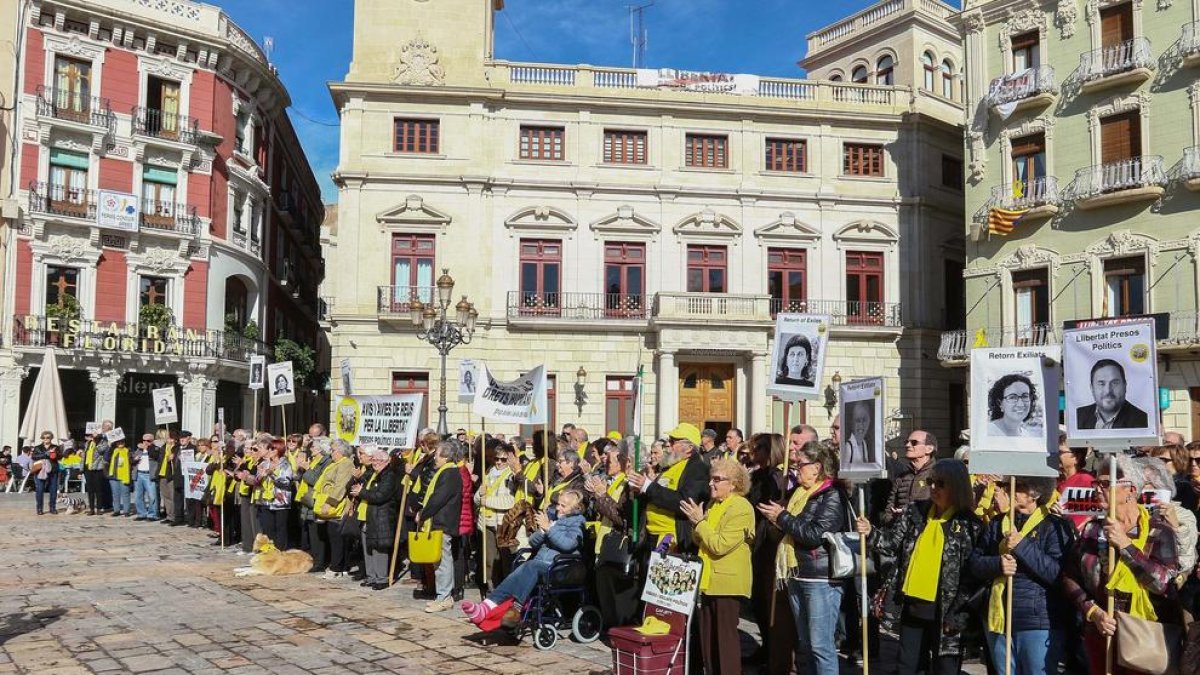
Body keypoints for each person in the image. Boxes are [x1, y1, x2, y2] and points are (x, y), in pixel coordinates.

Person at [857, 459, 981, 675]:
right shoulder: (916, 511)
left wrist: (959, 615)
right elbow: (890, 543)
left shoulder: (970, 524)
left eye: (940, 484)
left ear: (957, 486)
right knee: (907, 666)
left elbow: (971, 576)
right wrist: (870, 532)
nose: (933, 488)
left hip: (947, 611)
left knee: (945, 669)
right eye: (931, 482)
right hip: (913, 605)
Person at [1062, 454, 1180, 675]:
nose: (1098, 489)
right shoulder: (1092, 530)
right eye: (1097, 483)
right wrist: (1093, 611)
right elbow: (1070, 577)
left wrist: (1126, 546)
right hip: (1103, 632)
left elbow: (1162, 584)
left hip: (1146, 633)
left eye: (1106, 484)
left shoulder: (1159, 530)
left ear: (1131, 491)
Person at [758, 441, 848, 675]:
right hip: (797, 571)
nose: (796, 469)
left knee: (821, 645)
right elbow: (791, 530)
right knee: (805, 644)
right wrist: (776, 519)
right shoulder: (799, 492)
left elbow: (815, 534)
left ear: (817, 467)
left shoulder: (831, 494)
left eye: (800, 464)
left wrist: (782, 517)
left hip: (821, 577)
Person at [969, 476, 1073, 675]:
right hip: (999, 619)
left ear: (1036, 493)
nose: (1010, 489)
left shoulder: (1055, 527)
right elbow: (975, 564)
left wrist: (1021, 545)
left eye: (1020, 486)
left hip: (1038, 620)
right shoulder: (997, 523)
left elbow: (1057, 573)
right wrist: (997, 565)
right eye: (1009, 484)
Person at [461, 488, 587, 626]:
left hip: (561, 567)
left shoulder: (577, 522)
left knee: (531, 566)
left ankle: (517, 608)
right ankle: (486, 606)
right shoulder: (553, 518)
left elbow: (568, 545)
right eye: (558, 504)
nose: (558, 508)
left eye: (564, 506)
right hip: (542, 564)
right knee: (518, 569)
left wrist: (550, 529)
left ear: (575, 508)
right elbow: (533, 542)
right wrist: (543, 531)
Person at [681, 458, 754, 675]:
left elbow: (720, 545)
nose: (711, 484)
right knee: (708, 639)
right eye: (711, 479)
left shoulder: (741, 507)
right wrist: (698, 523)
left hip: (727, 582)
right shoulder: (715, 504)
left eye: (717, 480)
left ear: (733, 484)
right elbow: (699, 539)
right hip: (708, 580)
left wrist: (700, 522)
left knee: (725, 641)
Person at [627, 422, 711, 553]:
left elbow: (685, 502)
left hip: (671, 539)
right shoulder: (669, 466)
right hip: (650, 535)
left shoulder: (697, 469)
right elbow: (657, 495)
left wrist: (648, 487)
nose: (667, 446)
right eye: (668, 442)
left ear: (689, 448)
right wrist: (640, 489)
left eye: (673, 442)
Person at [586, 441, 637, 629]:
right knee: (604, 594)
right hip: (604, 542)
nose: (606, 464)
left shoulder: (627, 485)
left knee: (616, 597)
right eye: (605, 461)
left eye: (611, 461)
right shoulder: (612, 481)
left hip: (618, 545)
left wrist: (601, 496)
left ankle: (619, 631)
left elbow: (621, 517)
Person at [417, 439, 463, 613]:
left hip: (443, 522)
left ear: (445, 456)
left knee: (443, 562)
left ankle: (444, 597)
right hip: (439, 522)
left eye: (437, 454)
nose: (435, 457)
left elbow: (438, 498)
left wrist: (424, 513)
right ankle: (442, 595)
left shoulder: (449, 473)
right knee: (439, 562)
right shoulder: (444, 471)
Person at [353, 445, 400, 589]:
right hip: (367, 515)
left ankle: (381, 579)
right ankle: (371, 576)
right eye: (373, 459)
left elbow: (381, 496)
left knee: (379, 549)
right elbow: (356, 486)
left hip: (381, 517)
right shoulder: (371, 473)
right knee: (368, 547)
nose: (375, 462)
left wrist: (362, 493)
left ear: (387, 461)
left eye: (379, 460)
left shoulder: (389, 476)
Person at [477, 440, 516, 589]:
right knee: (489, 559)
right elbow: (478, 497)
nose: (499, 463)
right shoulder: (488, 472)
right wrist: (480, 497)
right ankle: (491, 589)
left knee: (505, 559)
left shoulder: (512, 475)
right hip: (486, 521)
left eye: (503, 460)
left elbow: (510, 501)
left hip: (503, 521)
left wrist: (487, 501)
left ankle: (506, 589)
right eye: (496, 459)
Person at [882, 430, 937, 526]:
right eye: (906, 442)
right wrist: (892, 522)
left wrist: (909, 514)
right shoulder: (902, 475)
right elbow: (889, 507)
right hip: (901, 534)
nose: (907, 445)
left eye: (914, 443)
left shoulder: (938, 474)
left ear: (929, 449)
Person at [1075, 359, 1148, 430]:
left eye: (1114, 383)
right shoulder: (1078, 416)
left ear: (1124, 385)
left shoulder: (1142, 420)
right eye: (1101, 384)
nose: (1108, 391)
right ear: (1092, 388)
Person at [83, 422, 113, 515]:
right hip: (88, 467)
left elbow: (101, 450)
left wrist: (97, 439)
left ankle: (99, 508)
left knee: (98, 489)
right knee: (90, 489)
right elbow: (85, 455)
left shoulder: (102, 441)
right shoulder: (88, 443)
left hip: (97, 468)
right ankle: (92, 508)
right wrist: (81, 468)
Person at [131, 433, 162, 522]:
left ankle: (152, 515)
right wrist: (135, 459)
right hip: (139, 474)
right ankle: (141, 513)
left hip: (149, 475)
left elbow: (155, 456)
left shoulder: (156, 449)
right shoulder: (139, 450)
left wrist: (146, 449)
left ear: (152, 441)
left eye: (148, 441)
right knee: (138, 496)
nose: (145, 442)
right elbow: (131, 460)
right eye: (144, 440)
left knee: (152, 496)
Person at [31, 431, 61, 515]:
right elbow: (34, 456)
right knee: (39, 490)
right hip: (40, 470)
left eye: (48, 437)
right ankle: (39, 508)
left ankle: (52, 508)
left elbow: (60, 456)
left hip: (53, 470)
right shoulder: (37, 447)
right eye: (44, 437)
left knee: (53, 490)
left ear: (51, 438)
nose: (46, 439)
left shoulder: (55, 447)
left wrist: (53, 453)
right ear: (42, 438)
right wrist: (46, 454)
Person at [842, 399, 875, 467]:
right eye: (857, 420)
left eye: (864, 420)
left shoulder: (864, 444)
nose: (861, 424)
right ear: (852, 423)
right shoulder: (848, 446)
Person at [106, 437, 132, 517]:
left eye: (122, 442)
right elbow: (106, 458)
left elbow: (132, 460)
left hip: (124, 476)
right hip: (114, 475)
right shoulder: (113, 450)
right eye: (118, 442)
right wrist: (110, 446)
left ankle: (126, 511)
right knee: (115, 494)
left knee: (125, 493)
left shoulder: (128, 451)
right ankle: (116, 510)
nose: (120, 444)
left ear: (125, 443)